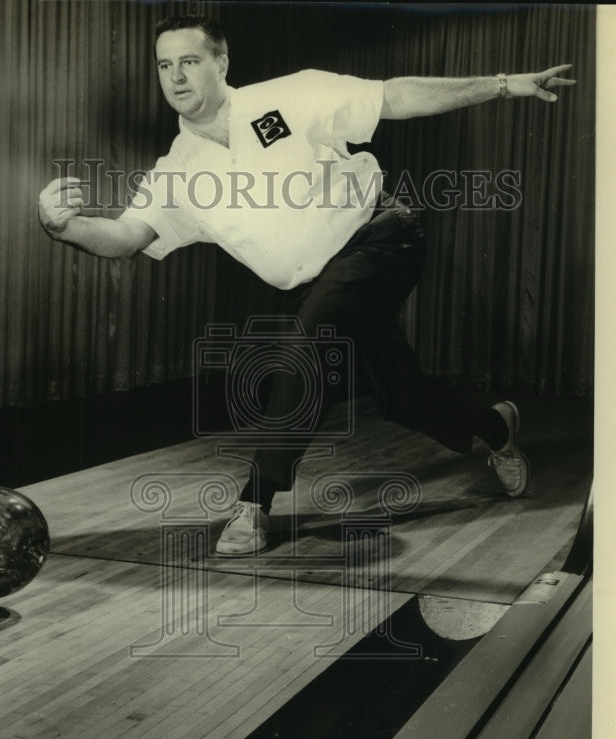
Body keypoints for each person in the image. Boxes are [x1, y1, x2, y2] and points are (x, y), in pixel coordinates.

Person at [38, 15, 575, 555]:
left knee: (305, 350)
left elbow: (395, 98)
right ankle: (498, 428)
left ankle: (254, 506)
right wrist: (67, 227)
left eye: (190, 61)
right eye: (164, 65)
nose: (176, 76)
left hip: (379, 242)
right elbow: (129, 236)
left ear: (221, 63)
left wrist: (504, 85)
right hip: (317, 285)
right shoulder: (176, 172)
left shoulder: (289, 98)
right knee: (404, 398)